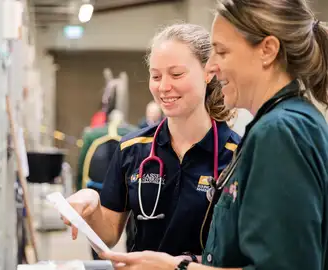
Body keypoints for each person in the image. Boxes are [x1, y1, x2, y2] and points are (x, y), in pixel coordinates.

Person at [100, 0, 328, 269]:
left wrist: (176, 268)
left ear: (267, 50)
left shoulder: (279, 133)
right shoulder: (285, 124)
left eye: (221, 52)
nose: (212, 67)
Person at [64, 23, 241, 260]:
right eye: (156, 76)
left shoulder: (239, 155)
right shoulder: (132, 149)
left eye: (176, 74)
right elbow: (108, 235)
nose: (164, 87)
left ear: (209, 72)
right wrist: (92, 203)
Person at [76, 109, 138, 259]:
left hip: (95, 187)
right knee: (132, 231)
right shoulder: (134, 134)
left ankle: (98, 261)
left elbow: (81, 166)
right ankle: (133, 259)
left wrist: (79, 188)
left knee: (96, 233)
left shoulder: (92, 135)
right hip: (127, 189)